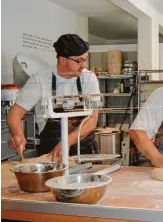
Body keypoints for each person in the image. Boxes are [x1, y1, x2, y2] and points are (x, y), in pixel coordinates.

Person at [8, 33, 101, 162]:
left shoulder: (89, 78)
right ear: (62, 60)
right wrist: (18, 134)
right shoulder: (39, 80)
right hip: (52, 153)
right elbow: (15, 113)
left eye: (85, 59)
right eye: (79, 60)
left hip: (85, 151)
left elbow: (92, 119)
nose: (84, 65)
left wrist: (66, 142)